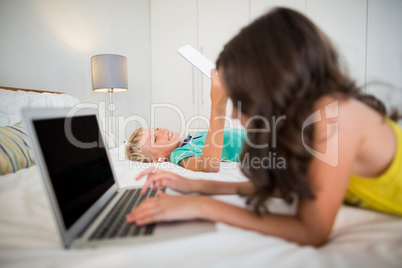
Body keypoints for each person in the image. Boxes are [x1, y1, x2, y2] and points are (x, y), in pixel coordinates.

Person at [126, 7, 402, 246]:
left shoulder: (338, 117)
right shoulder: (311, 123)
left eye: (240, 99)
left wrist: (201, 205)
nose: (234, 114)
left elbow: (312, 230)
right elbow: (290, 188)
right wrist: (197, 185)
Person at [125, 73, 247, 173]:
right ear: (158, 159)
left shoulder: (189, 140)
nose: (161, 130)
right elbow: (207, 166)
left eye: (156, 128)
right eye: (155, 138)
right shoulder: (178, 155)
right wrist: (217, 105)